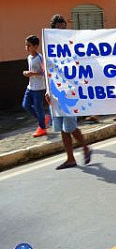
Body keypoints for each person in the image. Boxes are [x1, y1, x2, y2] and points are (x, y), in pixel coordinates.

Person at [46, 15, 92, 169]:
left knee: (70, 126)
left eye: (63, 28)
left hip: (70, 92)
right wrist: (47, 90)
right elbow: (48, 71)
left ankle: (85, 147)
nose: (61, 31)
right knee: (62, 129)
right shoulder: (49, 48)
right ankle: (70, 158)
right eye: (58, 28)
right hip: (56, 93)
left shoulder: (72, 46)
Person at [22, 35, 49, 137]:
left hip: (39, 88)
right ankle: (43, 119)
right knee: (25, 105)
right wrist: (27, 73)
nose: (26, 47)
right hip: (30, 87)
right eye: (26, 45)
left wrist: (32, 74)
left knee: (38, 107)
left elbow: (44, 72)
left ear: (36, 46)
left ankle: (42, 128)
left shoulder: (40, 58)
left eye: (29, 45)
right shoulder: (29, 57)